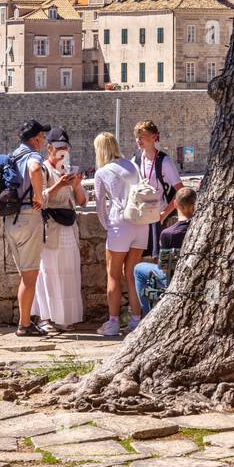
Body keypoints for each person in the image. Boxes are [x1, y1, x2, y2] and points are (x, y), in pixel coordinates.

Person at [92, 131, 146, 336]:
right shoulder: (133, 165)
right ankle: (135, 320)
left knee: (113, 275)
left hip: (119, 224)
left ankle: (113, 322)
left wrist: (108, 227)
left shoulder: (103, 172)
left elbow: (99, 206)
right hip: (140, 224)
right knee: (132, 274)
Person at [33, 128, 86, 333]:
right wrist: (59, 185)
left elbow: (81, 202)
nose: (62, 151)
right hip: (51, 227)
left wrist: (77, 185)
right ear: (49, 149)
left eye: (65, 148)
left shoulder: (69, 169)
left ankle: (64, 317)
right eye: (59, 148)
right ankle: (44, 317)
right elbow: (40, 197)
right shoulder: (44, 169)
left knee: (68, 272)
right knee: (48, 271)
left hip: (68, 226)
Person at [5, 120, 49, 337]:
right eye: (42, 136)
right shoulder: (33, 156)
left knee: (25, 275)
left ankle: (24, 320)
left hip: (10, 219)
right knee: (30, 277)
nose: (44, 140)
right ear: (35, 139)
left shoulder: (13, 156)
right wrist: (39, 196)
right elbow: (34, 169)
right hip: (28, 217)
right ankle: (24, 324)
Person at [133, 187, 196, 314]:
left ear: (175, 204)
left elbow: (163, 267)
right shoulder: (201, 229)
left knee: (138, 269)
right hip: (197, 275)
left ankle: (147, 315)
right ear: (194, 205)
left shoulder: (168, 234)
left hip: (173, 278)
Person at [132, 121, 183, 258]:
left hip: (157, 218)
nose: (139, 140)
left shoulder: (164, 162)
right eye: (137, 136)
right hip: (140, 216)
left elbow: (181, 191)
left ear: (154, 137)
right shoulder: (136, 160)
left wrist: (164, 214)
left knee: (158, 258)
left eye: (142, 136)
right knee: (136, 257)